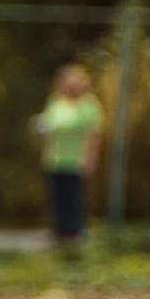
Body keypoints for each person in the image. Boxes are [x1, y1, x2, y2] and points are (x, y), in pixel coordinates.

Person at [32, 64, 103, 244]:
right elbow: (47, 126)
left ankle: (75, 231)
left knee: (74, 196)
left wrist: (90, 158)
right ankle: (59, 230)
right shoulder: (55, 103)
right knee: (57, 196)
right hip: (55, 158)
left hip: (76, 158)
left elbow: (93, 134)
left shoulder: (89, 105)